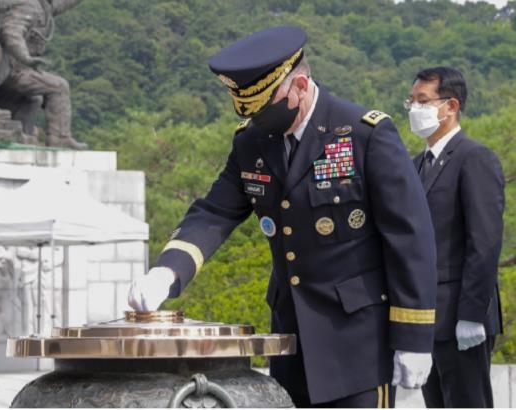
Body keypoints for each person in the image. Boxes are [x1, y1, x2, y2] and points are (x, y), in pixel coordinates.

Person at [128, 26, 438, 407]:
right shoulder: (252, 142)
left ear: (300, 86)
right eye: (250, 112)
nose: (258, 119)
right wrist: (168, 271)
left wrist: (413, 340)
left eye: (265, 109)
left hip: (358, 342)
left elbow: (411, 240)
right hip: (291, 340)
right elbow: (215, 212)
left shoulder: (364, 135)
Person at [407, 67, 504, 408]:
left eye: (423, 101)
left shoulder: (473, 157)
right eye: (411, 101)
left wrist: (472, 314)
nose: (414, 109)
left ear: (450, 106)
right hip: (425, 317)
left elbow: (485, 241)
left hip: (462, 316)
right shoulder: (415, 165)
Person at [0, 0, 87, 149]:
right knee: (59, 87)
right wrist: (25, 57)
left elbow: (62, 4)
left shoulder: (43, 7)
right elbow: (11, 32)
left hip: (21, 68)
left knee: (34, 99)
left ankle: (24, 134)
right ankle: (60, 137)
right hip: (13, 69)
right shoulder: (27, 6)